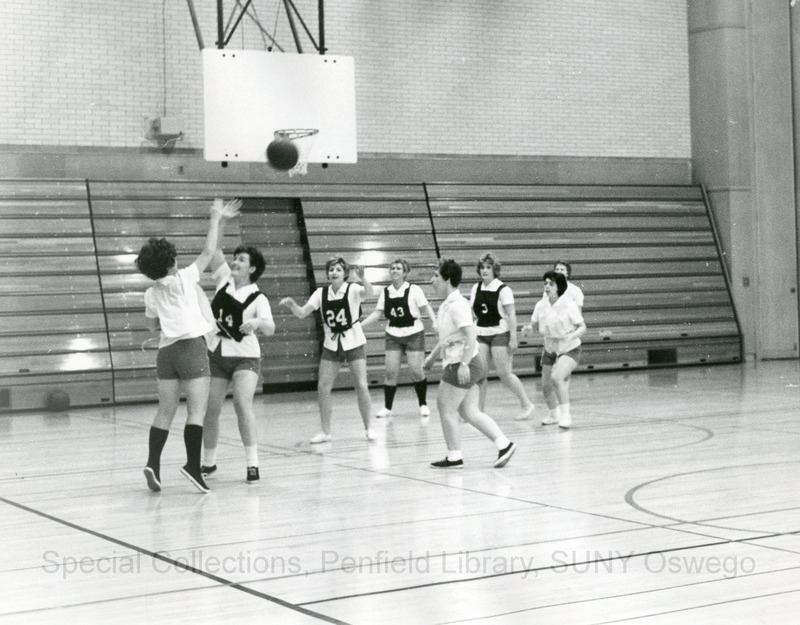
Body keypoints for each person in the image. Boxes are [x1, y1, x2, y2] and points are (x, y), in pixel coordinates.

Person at [136, 198, 241, 493]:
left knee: (164, 412)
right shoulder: (183, 279)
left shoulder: (150, 293)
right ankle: (193, 467)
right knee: (196, 412)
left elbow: (151, 326)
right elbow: (209, 251)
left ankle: (153, 463)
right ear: (171, 262)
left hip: (165, 352)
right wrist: (214, 219)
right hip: (191, 348)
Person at [424, 258, 516, 469]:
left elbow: (471, 335)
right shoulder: (449, 304)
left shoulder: (457, 305)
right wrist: (432, 357)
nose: (431, 280)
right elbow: (449, 338)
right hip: (469, 361)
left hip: (463, 363)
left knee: (445, 407)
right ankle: (504, 444)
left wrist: (464, 364)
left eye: (435, 276)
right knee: (469, 411)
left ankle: (454, 457)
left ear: (447, 280)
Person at [200, 242, 275, 484]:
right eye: (235, 258)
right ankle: (208, 462)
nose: (235, 262)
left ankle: (253, 463)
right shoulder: (224, 280)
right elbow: (215, 249)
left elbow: (271, 328)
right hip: (217, 354)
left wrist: (256, 323)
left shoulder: (258, 297)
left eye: (241, 259)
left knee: (243, 405)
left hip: (246, 356)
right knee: (210, 410)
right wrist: (219, 221)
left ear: (252, 268)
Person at [280, 257, 375, 443]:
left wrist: (363, 278)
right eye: (331, 269)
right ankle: (325, 431)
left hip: (353, 342)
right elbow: (302, 313)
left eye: (338, 269)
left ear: (345, 273)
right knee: (323, 387)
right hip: (331, 345)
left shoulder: (353, 289)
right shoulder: (320, 294)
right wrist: (292, 305)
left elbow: (369, 293)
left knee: (362, 385)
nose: (334, 272)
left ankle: (369, 428)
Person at [361, 258, 438, 419]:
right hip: (393, 335)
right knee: (390, 372)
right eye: (392, 268)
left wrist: (435, 322)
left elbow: (426, 307)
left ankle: (423, 404)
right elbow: (378, 313)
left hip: (414, 333)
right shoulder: (386, 291)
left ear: (405, 273)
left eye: (398, 268)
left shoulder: (414, 290)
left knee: (416, 370)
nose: (394, 271)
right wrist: (360, 325)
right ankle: (387, 408)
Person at [469, 252, 535, 421]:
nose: (485, 271)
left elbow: (511, 315)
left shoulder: (503, 289)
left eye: (488, 267)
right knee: (479, 374)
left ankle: (526, 404)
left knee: (504, 374)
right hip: (481, 334)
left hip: (500, 333)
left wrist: (513, 338)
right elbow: (472, 313)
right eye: (482, 267)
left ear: (494, 270)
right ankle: (478, 410)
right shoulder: (475, 288)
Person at [523, 271, 586, 429]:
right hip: (550, 348)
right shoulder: (540, 305)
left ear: (559, 287)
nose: (547, 286)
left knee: (557, 377)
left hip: (570, 348)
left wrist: (572, 336)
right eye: (545, 283)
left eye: (551, 284)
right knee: (545, 385)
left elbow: (583, 327)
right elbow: (533, 325)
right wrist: (528, 329)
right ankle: (553, 414)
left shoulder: (568, 305)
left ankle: (566, 416)